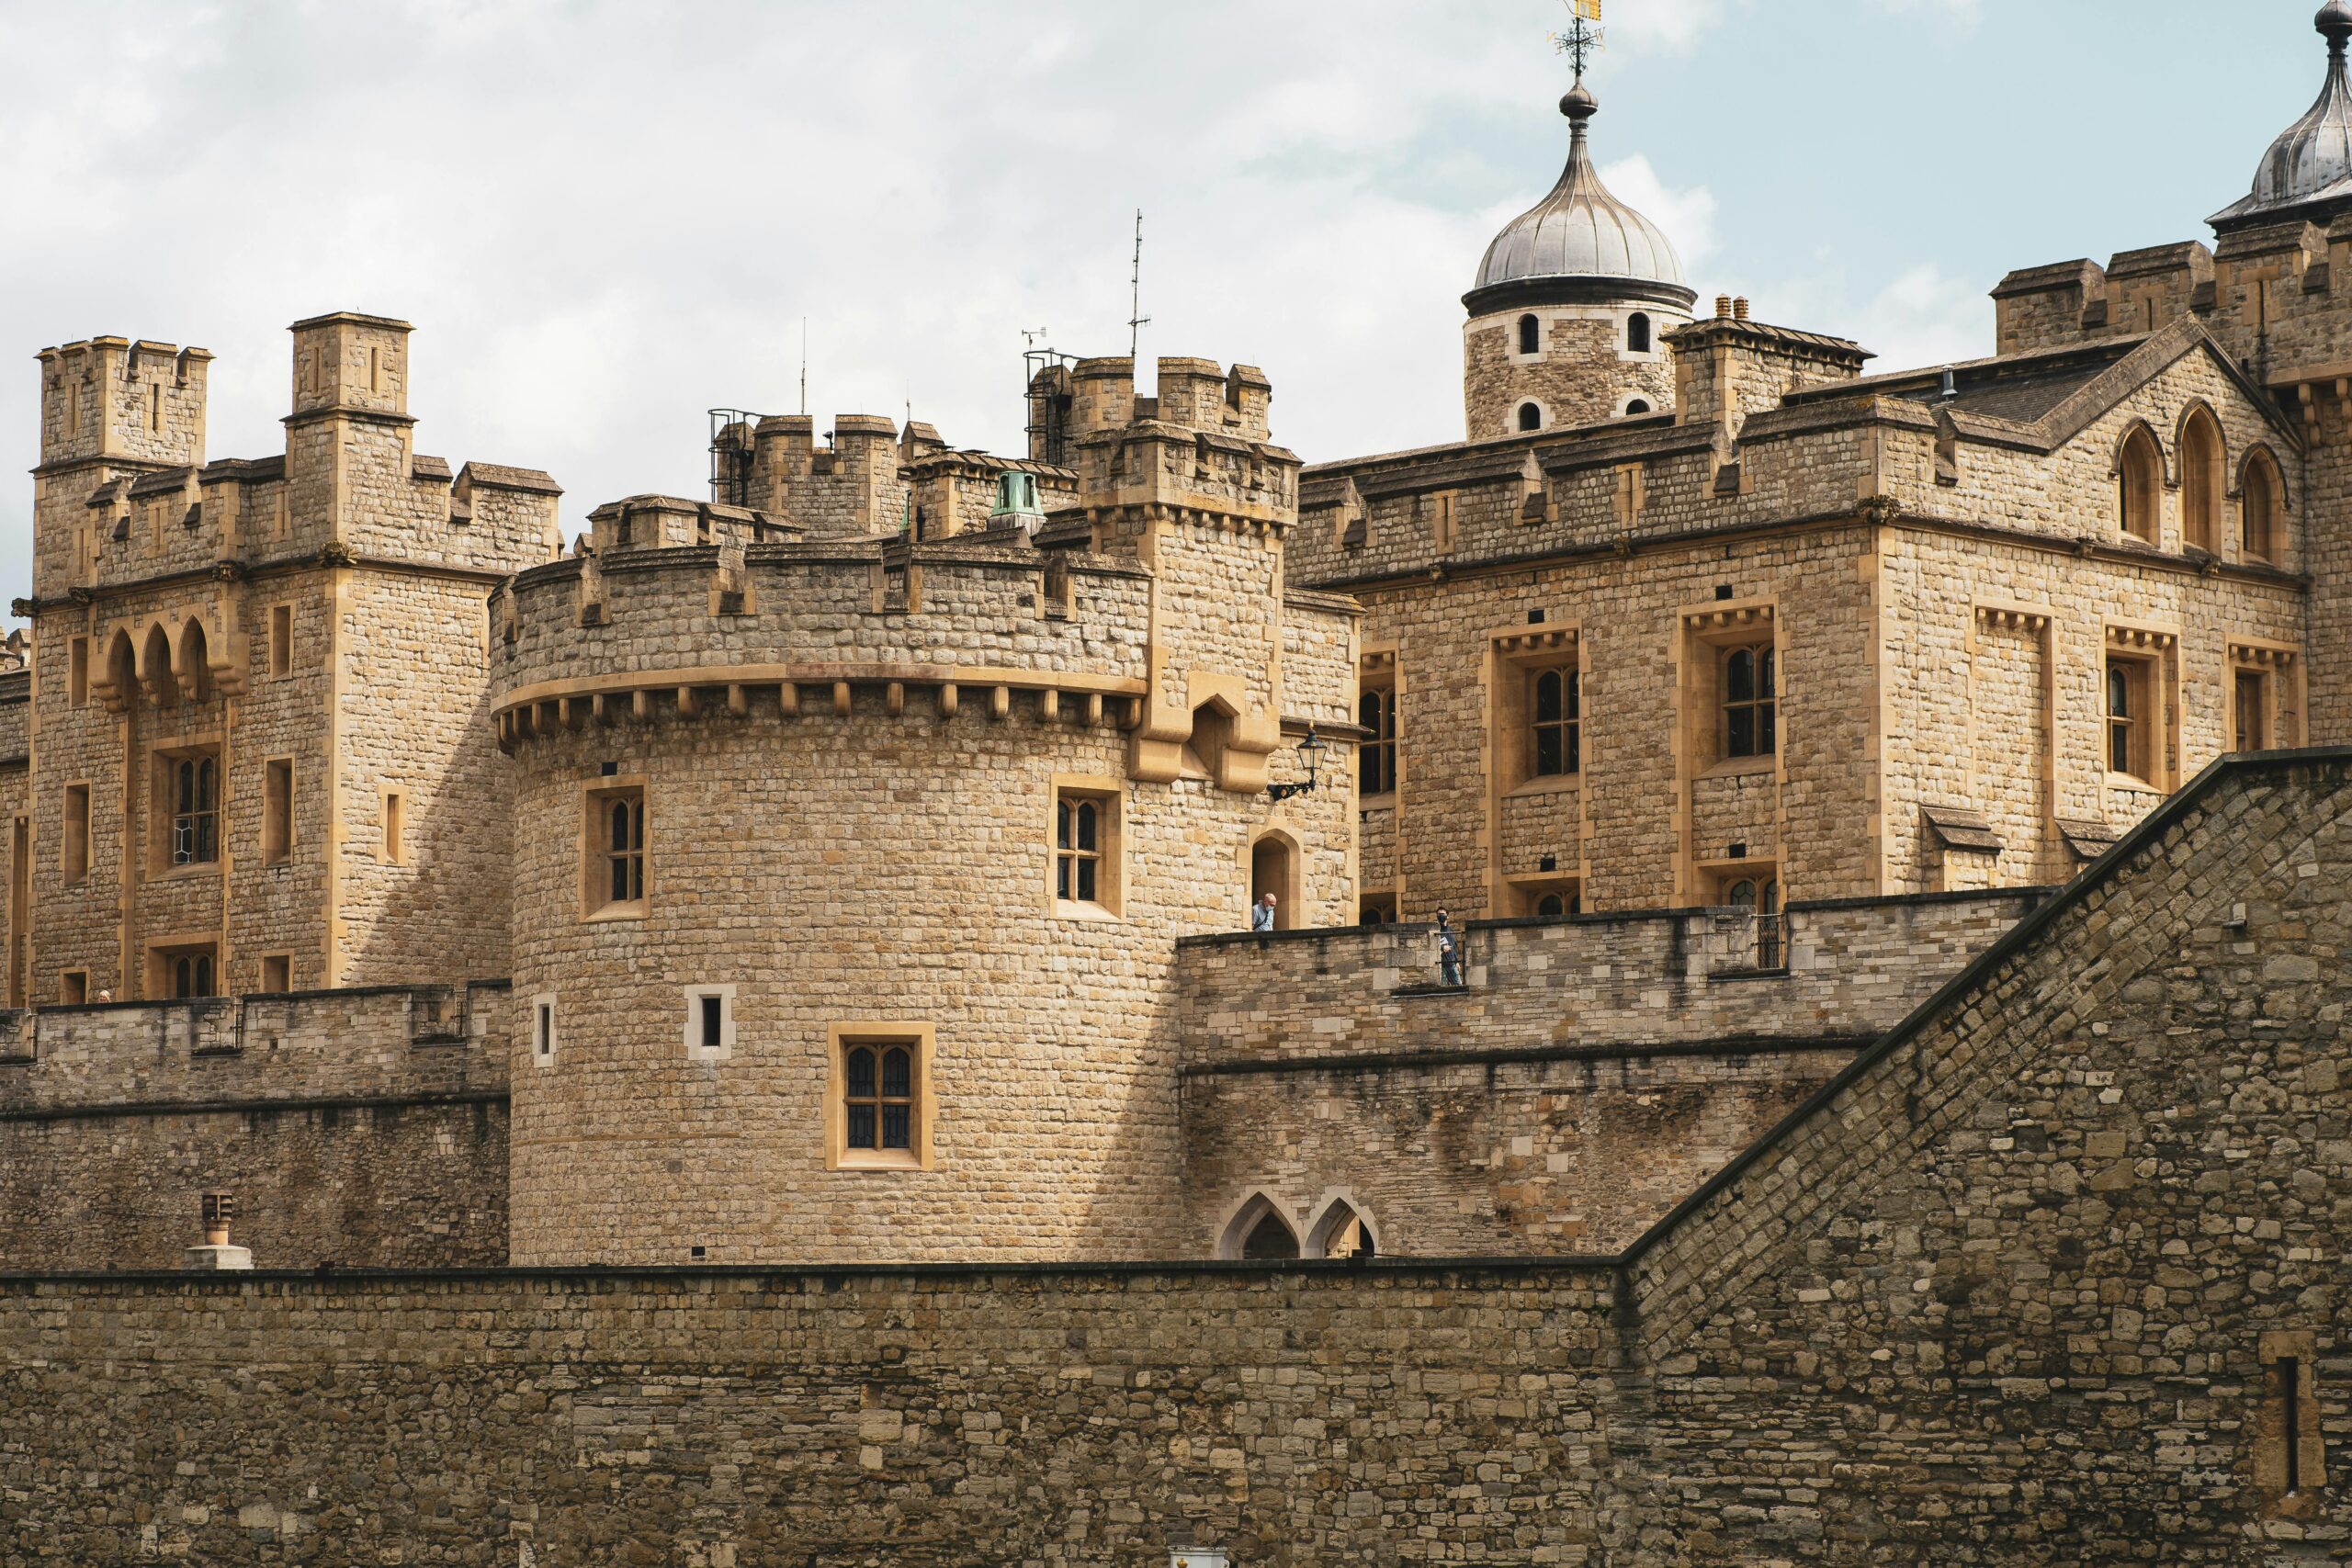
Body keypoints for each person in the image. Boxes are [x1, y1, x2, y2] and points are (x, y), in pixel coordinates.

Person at [1435, 909, 1463, 987]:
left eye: (1443, 914)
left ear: (1447, 916)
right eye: (1439, 914)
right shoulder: (1436, 931)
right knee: (1442, 989)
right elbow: (1432, 946)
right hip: (1441, 965)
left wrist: (1456, 961)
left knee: (1459, 987)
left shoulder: (1449, 929)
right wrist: (1442, 948)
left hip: (1451, 964)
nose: (1441, 916)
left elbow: (1454, 946)